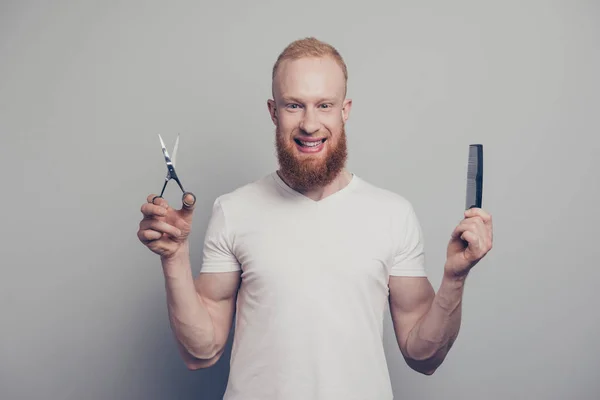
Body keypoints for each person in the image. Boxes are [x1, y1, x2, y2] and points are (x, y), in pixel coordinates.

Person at [137, 37, 493, 400]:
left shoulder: (392, 214)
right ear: (274, 111)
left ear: (345, 110)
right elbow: (201, 351)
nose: (310, 124)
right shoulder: (234, 210)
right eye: (294, 105)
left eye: (324, 105)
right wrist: (174, 258)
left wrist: (455, 277)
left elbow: (424, 356)